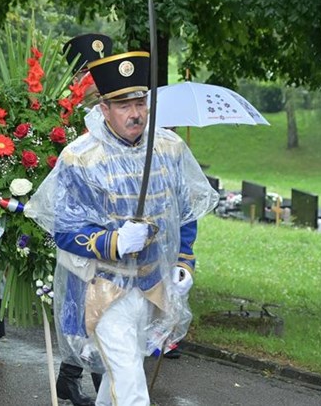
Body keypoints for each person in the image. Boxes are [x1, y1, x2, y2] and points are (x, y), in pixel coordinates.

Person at [27, 52, 219, 406]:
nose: (136, 113)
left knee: (121, 374)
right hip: (101, 288)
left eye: (141, 102)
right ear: (104, 108)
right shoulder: (80, 157)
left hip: (150, 283)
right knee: (130, 384)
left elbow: (185, 211)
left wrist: (184, 262)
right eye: (124, 105)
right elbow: (64, 229)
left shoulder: (168, 148)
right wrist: (113, 241)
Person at [51, 32, 114, 406]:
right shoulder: (65, 104)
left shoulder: (112, 98)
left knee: (95, 302)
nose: (92, 78)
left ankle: (80, 379)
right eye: (87, 70)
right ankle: (81, 378)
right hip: (79, 217)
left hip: (107, 213)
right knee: (80, 300)